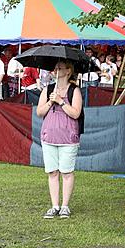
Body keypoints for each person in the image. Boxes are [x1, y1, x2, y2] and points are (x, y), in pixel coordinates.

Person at [37, 60, 83, 219]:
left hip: (68, 137)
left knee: (67, 172)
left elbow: (76, 113)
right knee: (52, 172)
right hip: (49, 136)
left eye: (60, 68)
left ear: (68, 71)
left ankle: (65, 206)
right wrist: (51, 100)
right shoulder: (47, 89)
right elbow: (39, 112)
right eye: (55, 68)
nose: (56, 70)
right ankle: (54, 205)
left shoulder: (74, 91)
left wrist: (61, 101)